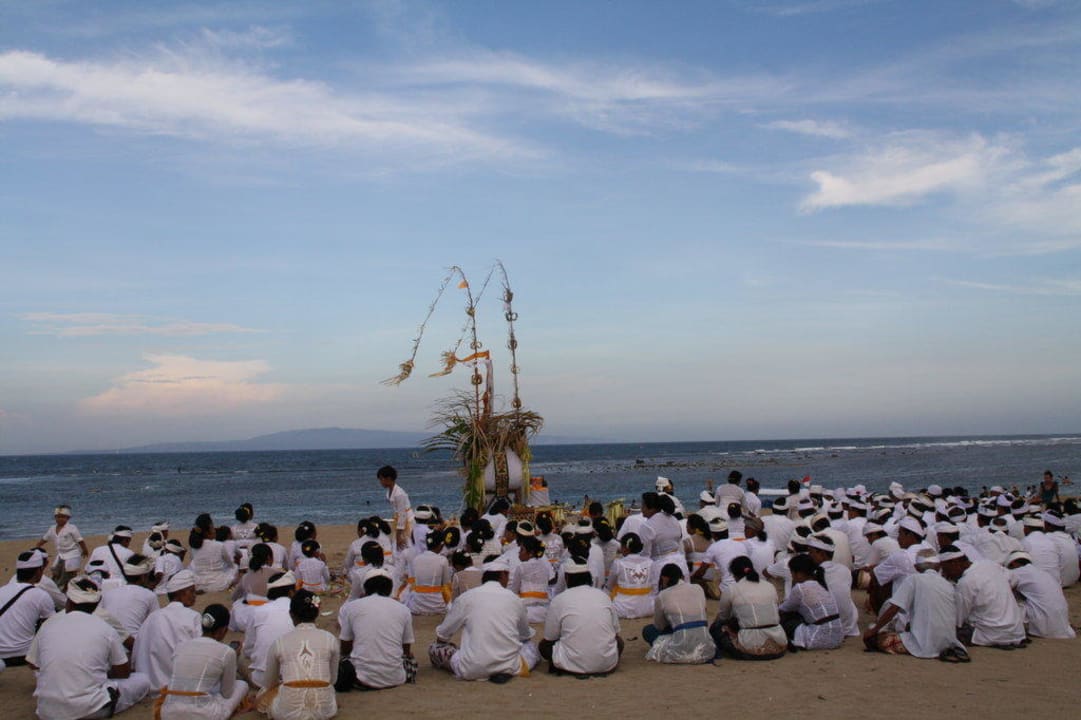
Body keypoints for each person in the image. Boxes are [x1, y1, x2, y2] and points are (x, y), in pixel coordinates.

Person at [27, 576, 151, 719]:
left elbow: (32, 663)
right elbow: (123, 673)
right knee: (142, 679)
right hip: (91, 710)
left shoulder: (49, 624)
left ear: (69, 602)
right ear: (97, 603)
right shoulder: (105, 627)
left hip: (46, 711)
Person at [429, 558, 539, 681]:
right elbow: (525, 636)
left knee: (434, 648)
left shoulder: (466, 598)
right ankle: (501, 669)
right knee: (531, 646)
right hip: (510, 665)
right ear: (503, 574)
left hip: (471, 668)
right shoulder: (515, 599)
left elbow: (442, 635)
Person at [863, 549, 967, 660]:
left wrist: (874, 631)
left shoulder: (913, 579)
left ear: (916, 567)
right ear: (938, 567)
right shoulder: (948, 585)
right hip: (948, 643)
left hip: (923, 645)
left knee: (875, 639)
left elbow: (894, 608)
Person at [157, 604, 250, 720]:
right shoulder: (227, 652)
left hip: (167, 713)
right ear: (222, 630)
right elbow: (227, 693)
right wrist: (233, 658)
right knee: (242, 685)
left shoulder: (180, 646)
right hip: (204, 714)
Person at [261, 591, 338, 720]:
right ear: (317, 612)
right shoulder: (330, 639)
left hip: (288, 712)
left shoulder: (280, 642)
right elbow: (332, 680)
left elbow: (269, 682)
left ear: (291, 615)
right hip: (324, 710)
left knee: (264, 694)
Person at [539, 559, 623, 676]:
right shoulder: (603, 596)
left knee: (543, 646)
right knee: (619, 642)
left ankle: (568, 665)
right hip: (606, 663)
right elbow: (616, 632)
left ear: (567, 578)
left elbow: (550, 638)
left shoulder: (559, 600)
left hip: (571, 660)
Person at [338, 569, 416, 690]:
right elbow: (406, 650)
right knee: (411, 660)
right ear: (390, 588)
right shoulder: (403, 609)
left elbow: (345, 647)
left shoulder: (351, 607)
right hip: (395, 677)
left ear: (365, 588)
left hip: (360, 677)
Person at [939, 545, 1027, 649]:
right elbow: (1014, 579)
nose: (946, 574)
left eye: (945, 569)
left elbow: (959, 619)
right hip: (1016, 631)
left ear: (954, 563)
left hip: (992, 634)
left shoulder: (966, 582)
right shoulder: (988, 564)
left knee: (947, 631)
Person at [132, 569, 202, 691]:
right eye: (191, 591)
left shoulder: (151, 617)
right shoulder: (193, 616)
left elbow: (136, 655)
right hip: (179, 685)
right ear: (179, 593)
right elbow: (202, 652)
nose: (194, 595)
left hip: (149, 686)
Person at [711, 556, 787, 660]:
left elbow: (723, 617)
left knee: (717, 627)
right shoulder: (769, 586)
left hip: (751, 648)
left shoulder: (732, 590)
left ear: (734, 574)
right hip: (779, 644)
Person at [642, 563, 714, 664]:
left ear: (664, 578)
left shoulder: (662, 595)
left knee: (648, 630)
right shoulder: (698, 588)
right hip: (706, 647)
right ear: (682, 577)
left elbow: (659, 626)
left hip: (680, 648)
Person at [0, 550, 56, 666]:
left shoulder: (2, 590)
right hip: (24, 654)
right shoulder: (40, 595)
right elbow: (51, 627)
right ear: (38, 571)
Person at [778, 554, 844, 651]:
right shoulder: (821, 585)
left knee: (786, 619)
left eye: (792, 573)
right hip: (837, 638)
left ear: (799, 573)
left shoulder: (800, 588)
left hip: (817, 637)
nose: (792, 576)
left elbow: (783, 609)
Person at [246, 571, 298, 690]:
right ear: (291, 592)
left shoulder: (257, 611)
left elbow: (248, 649)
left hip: (262, 680)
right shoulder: (298, 612)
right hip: (294, 678)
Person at [1005, 551, 1075, 639]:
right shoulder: (1041, 572)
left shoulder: (1017, 572)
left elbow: (1002, 588)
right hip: (1062, 625)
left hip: (1044, 625)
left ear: (1013, 563)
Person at [100, 554, 159, 646]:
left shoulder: (109, 594)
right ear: (143, 577)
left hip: (108, 644)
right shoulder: (149, 595)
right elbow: (155, 627)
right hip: (134, 646)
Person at [35, 505, 89, 591]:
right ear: (55, 517)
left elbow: (80, 540)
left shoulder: (72, 528)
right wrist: (37, 546)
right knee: (56, 571)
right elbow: (45, 538)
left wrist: (85, 550)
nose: (60, 519)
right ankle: (58, 587)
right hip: (61, 554)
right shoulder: (52, 529)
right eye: (58, 517)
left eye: (63, 517)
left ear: (68, 518)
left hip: (72, 553)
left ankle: (68, 588)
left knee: (70, 572)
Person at [605, 533, 655, 619]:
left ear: (625, 548)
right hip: (648, 608)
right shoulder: (650, 562)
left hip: (622, 609)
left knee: (606, 590)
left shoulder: (618, 563)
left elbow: (609, 586)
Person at [509, 536, 555, 623]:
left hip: (525, 611)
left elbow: (514, 591)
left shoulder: (521, 567)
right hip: (544, 611)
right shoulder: (545, 567)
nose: (519, 553)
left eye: (522, 550)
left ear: (530, 553)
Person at [188, 514, 238, 593]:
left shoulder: (193, 547)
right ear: (207, 532)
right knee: (235, 567)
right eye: (212, 528)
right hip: (218, 584)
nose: (214, 530)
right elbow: (230, 564)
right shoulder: (219, 545)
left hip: (199, 583)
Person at [85, 526, 136, 590]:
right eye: (129, 542)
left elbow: (87, 570)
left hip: (100, 586)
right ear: (126, 540)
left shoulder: (97, 550)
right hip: (121, 586)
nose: (128, 544)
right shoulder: (129, 553)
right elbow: (134, 573)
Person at [378, 465, 413, 549]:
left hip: (407, 520)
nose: (380, 482)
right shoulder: (390, 490)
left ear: (389, 478)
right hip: (400, 518)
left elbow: (402, 514)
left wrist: (398, 535)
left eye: (381, 479)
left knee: (405, 544)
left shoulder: (399, 494)